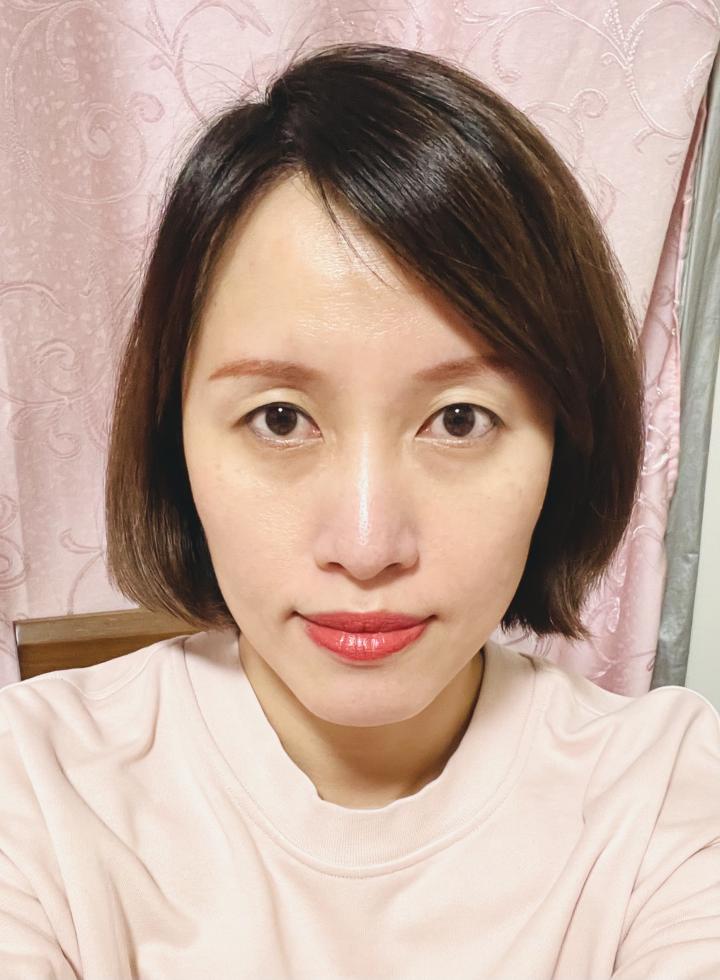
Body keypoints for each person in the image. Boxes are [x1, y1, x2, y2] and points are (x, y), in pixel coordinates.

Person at [0, 41, 718, 980]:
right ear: (174, 441)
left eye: (459, 419)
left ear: (566, 447)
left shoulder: (665, 792)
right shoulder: (36, 786)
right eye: (279, 418)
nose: (369, 546)